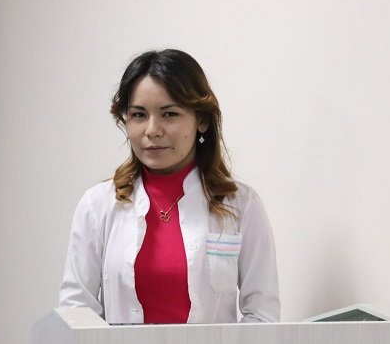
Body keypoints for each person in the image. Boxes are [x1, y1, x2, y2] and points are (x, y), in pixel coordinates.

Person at [58, 49, 280, 324]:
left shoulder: (241, 205)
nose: (152, 130)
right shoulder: (98, 205)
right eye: (139, 115)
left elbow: (262, 316)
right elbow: (76, 313)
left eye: (169, 114)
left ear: (202, 120)